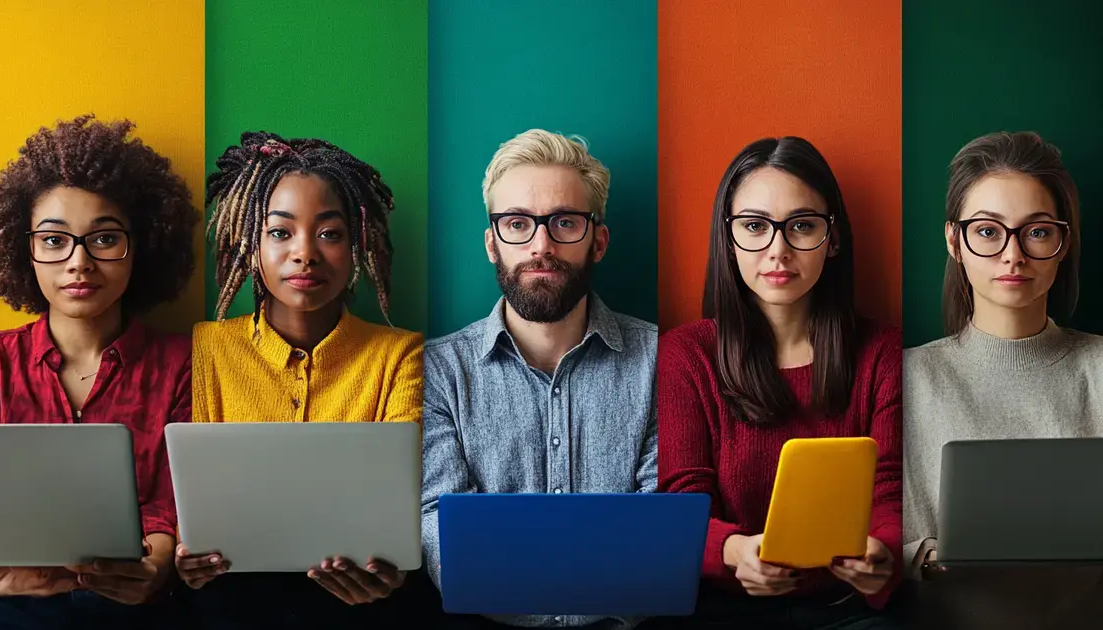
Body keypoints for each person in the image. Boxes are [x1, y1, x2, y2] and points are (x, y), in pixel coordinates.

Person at [176, 132, 425, 628]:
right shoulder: (206, 347)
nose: (304, 253)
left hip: (357, 607)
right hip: (233, 599)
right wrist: (185, 561)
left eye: (329, 233)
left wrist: (388, 576)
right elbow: (186, 499)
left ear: (358, 246)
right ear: (251, 242)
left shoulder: (400, 355)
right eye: (280, 232)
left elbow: (400, 506)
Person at [656, 136, 902, 630]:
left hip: (846, 609)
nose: (779, 250)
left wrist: (883, 556)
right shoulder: (687, 354)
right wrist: (731, 550)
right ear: (728, 239)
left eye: (802, 227)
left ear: (833, 239)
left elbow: (889, 490)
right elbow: (680, 498)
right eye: (754, 227)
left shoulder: (882, 353)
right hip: (723, 608)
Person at [421, 129, 658, 629]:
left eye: (565, 223)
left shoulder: (660, 359)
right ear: (491, 242)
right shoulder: (438, 372)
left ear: (599, 241)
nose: (540, 245)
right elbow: (447, 539)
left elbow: (661, 535)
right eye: (517, 224)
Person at [0, 114, 197, 629]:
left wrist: (156, 565)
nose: (78, 262)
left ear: (139, 247)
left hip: (137, 610)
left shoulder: (185, 363)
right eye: (54, 241)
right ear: (23, 250)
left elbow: (174, 496)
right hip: (2, 606)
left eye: (103, 239)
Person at [902, 131, 1103, 629]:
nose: (1013, 255)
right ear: (954, 240)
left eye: (1037, 232)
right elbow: (868, 539)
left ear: (1064, 243)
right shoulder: (905, 377)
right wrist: (925, 556)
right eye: (988, 231)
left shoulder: (1098, 369)